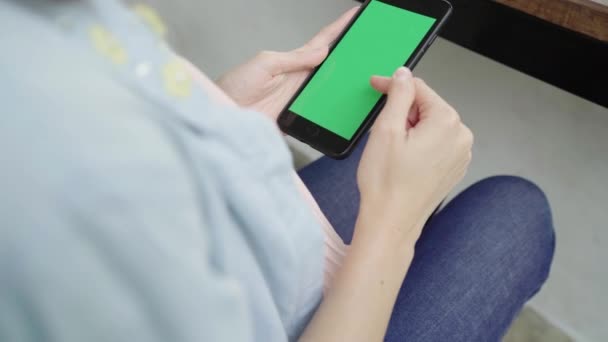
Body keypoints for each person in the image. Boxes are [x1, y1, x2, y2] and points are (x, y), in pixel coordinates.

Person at [0, 1, 554, 341]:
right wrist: (392, 230)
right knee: (515, 210)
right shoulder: (44, 182)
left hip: (257, 242)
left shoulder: (42, 27)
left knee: (366, 150)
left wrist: (216, 112)